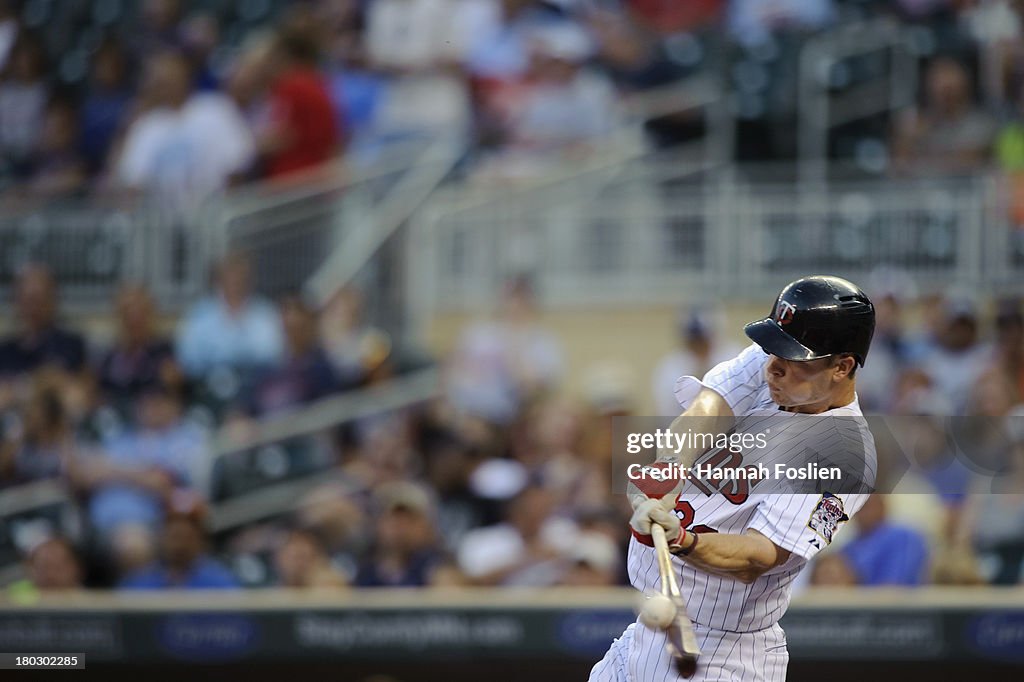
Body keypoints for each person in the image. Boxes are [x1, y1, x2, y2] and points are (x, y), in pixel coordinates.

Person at [591, 275, 877, 681]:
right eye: (774, 348)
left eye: (793, 358)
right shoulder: (777, 369)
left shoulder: (842, 453)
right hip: (646, 629)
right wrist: (669, 469)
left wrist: (680, 540)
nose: (773, 367)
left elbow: (757, 557)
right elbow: (709, 405)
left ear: (842, 366)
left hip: (722, 654)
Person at [0, 264, 86, 378]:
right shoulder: (5, 350)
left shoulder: (70, 346)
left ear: (53, 300)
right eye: (28, 300)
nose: (33, 308)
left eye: (39, 300)